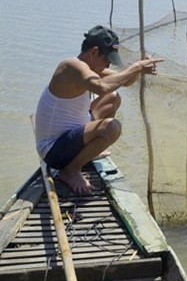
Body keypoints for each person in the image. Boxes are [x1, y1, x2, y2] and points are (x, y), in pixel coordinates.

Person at [34, 25, 163, 194]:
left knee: (113, 97)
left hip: (72, 134)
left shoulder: (92, 68)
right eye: (107, 60)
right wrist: (137, 67)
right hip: (54, 151)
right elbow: (101, 87)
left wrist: (140, 70)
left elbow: (125, 81)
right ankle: (70, 171)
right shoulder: (71, 67)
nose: (107, 65)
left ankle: (89, 152)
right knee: (112, 127)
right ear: (94, 52)